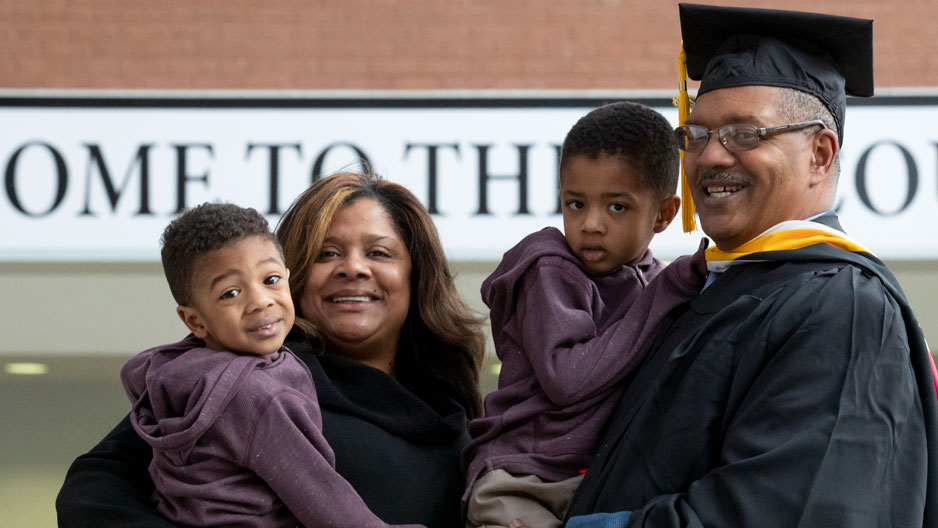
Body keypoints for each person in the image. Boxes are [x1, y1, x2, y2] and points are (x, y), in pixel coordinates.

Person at [564, 4, 938, 527]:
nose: (711, 156)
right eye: (696, 136)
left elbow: (786, 512)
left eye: (745, 134)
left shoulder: (843, 308)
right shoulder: (706, 289)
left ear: (820, 155)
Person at [56, 171, 486, 528]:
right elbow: (92, 491)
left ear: (416, 275)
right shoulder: (237, 379)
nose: (353, 268)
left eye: (379, 252)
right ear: (294, 269)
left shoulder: (455, 410)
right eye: (327, 253)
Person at [461, 102, 707, 528]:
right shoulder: (550, 269)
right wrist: (668, 290)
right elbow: (566, 379)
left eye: (617, 207)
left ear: (665, 214)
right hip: (523, 482)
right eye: (576, 204)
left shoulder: (651, 281)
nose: (591, 224)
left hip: (596, 483)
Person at [119, 202, 422, 528]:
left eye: (271, 279)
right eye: (231, 293)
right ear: (194, 320)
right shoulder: (257, 397)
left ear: (288, 278)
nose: (260, 301)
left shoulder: (177, 374)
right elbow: (329, 506)